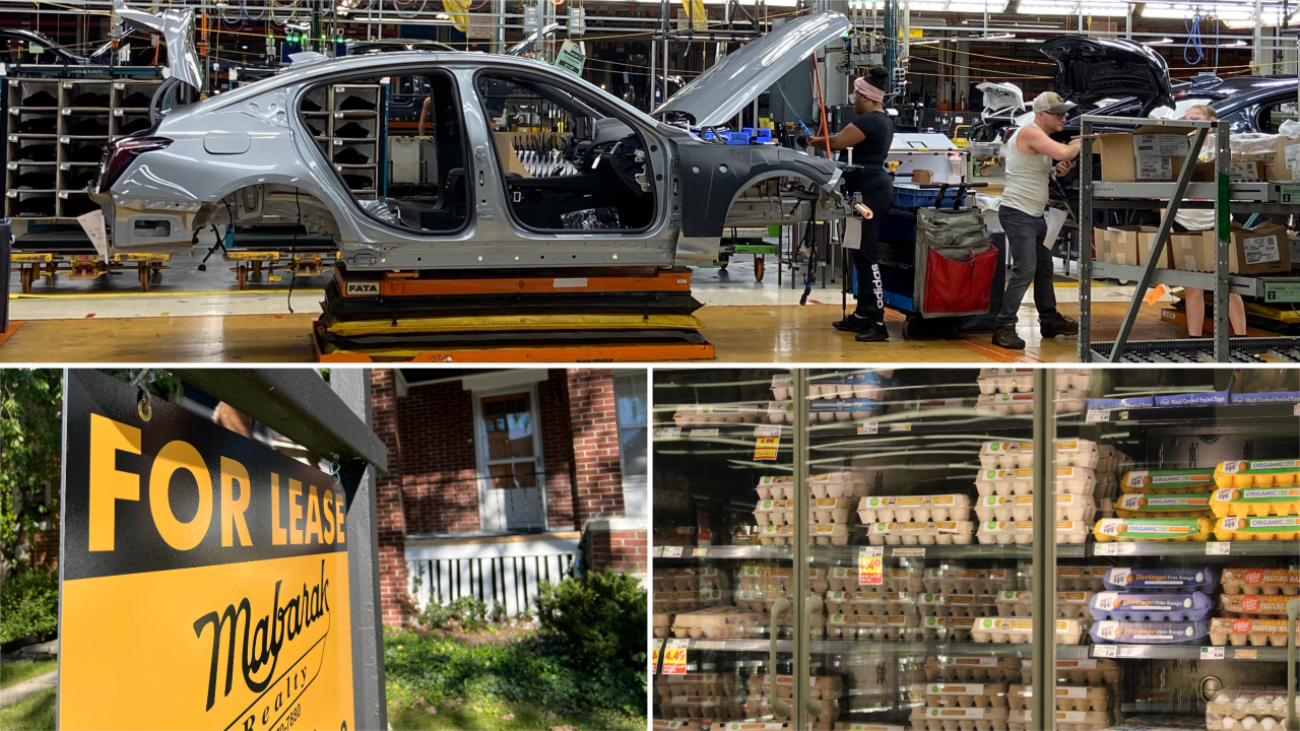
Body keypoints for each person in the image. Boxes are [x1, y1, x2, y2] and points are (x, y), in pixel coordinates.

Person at [809, 66, 896, 343]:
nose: (852, 101)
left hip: (870, 194)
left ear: (866, 96)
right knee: (858, 253)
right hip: (865, 191)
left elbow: (836, 142)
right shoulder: (881, 119)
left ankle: (878, 322)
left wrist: (809, 141)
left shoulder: (871, 120)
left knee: (867, 255)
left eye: (855, 95)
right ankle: (862, 314)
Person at [992, 91, 1083, 350]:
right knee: (1025, 270)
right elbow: (1065, 150)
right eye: (1058, 114)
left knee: (1043, 269)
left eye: (1065, 113)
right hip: (1018, 213)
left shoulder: (1040, 137)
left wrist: (1056, 169)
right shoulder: (1030, 132)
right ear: (1041, 115)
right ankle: (1004, 326)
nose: (1064, 118)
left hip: (1033, 214)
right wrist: (1077, 144)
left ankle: (1049, 320)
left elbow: (1035, 170)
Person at [1174, 104, 1246, 338]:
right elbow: (1165, 192)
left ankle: (1241, 338)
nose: (1190, 124)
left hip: (1218, 223)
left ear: (1213, 121)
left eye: (1195, 118)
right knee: (1192, 288)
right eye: (1186, 119)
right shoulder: (1179, 148)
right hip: (1184, 224)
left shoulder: (1224, 147)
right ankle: (1194, 340)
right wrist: (1168, 229)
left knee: (1228, 286)